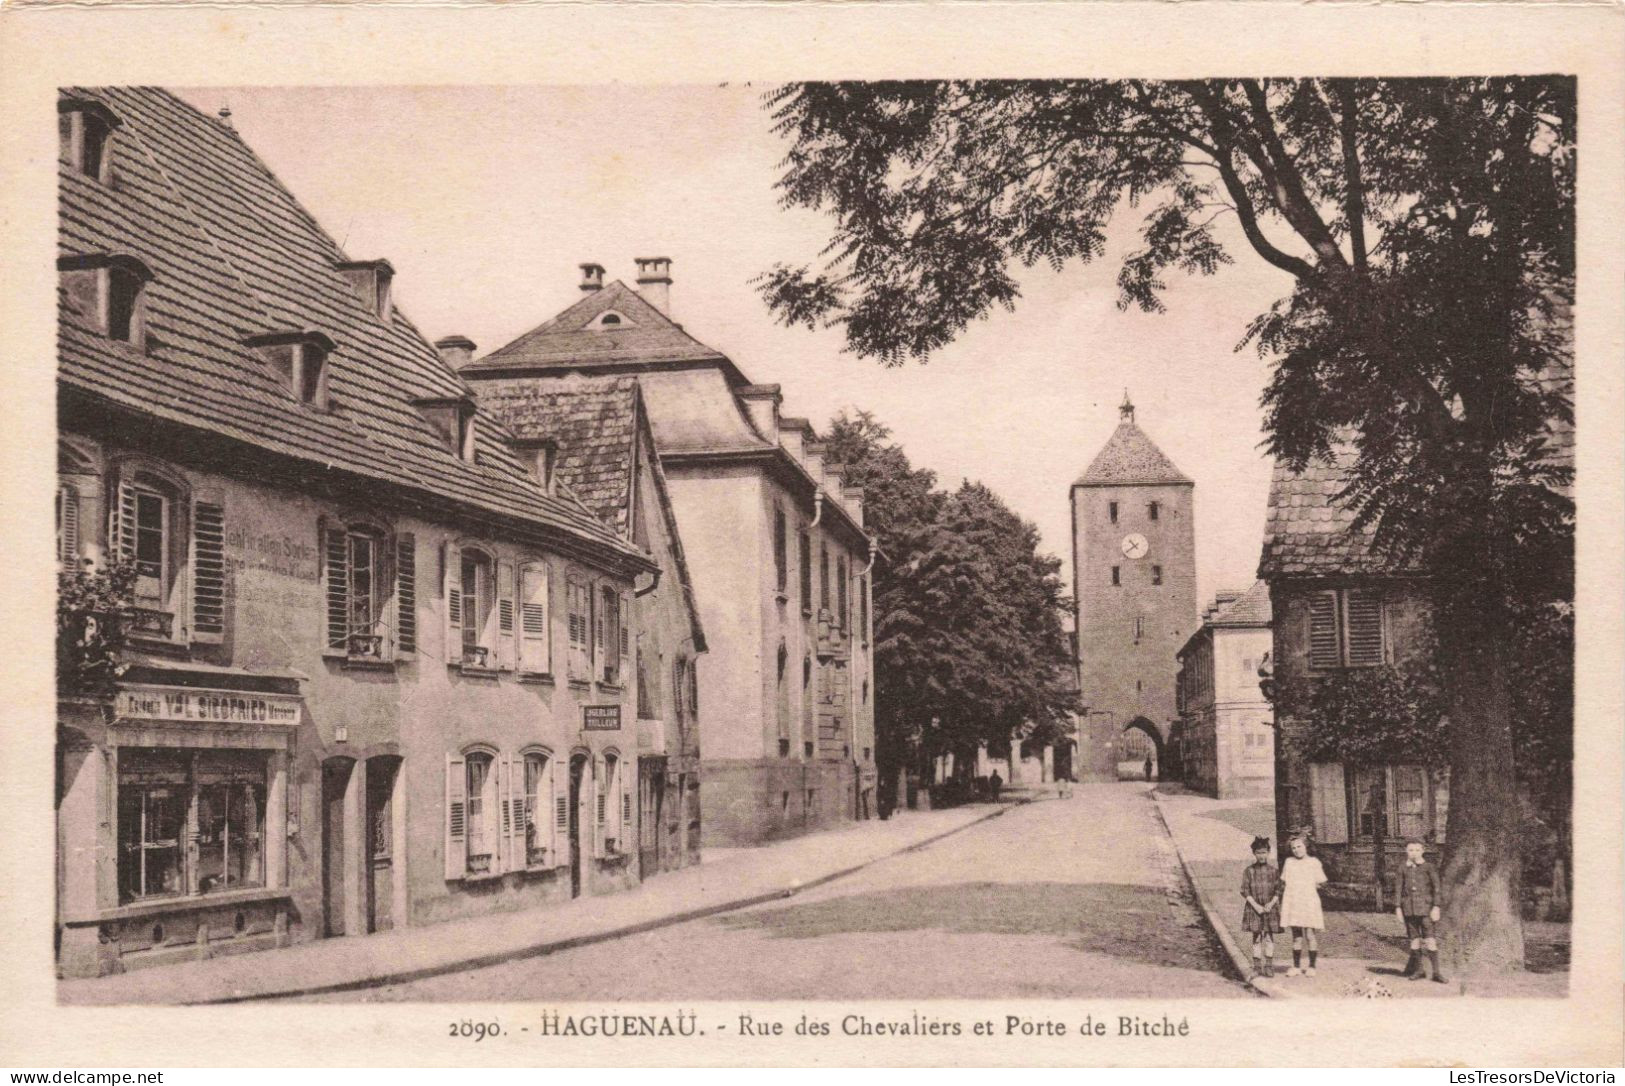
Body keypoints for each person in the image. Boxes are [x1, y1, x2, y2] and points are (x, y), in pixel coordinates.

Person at [1397, 838, 1447, 983]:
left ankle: (1437, 972)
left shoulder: (1429, 867)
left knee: (1430, 939)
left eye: (1417, 850)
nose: (1414, 853)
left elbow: (1437, 889)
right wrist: (1398, 908)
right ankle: (1419, 970)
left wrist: (1436, 907)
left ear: (1423, 851)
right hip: (1409, 910)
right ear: (1406, 851)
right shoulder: (1402, 868)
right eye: (1411, 850)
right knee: (1414, 940)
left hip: (1426, 909)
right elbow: (1398, 890)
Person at [1278, 833, 1329, 976]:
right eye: (1293, 848)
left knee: (1310, 934)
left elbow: (1321, 882)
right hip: (1294, 902)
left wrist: (1312, 886)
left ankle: (1312, 967)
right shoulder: (1289, 862)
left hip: (1308, 902)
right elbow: (1285, 881)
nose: (1296, 850)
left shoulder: (1313, 862)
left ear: (1306, 846)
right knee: (1296, 936)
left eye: (1299, 846)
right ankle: (1296, 966)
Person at [1240, 835, 1282, 978]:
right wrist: (1256, 906)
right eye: (1258, 853)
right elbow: (1245, 890)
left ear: (1269, 852)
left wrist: (1271, 904)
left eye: (1264, 852)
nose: (1261, 855)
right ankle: (1257, 966)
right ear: (1254, 853)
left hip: (1270, 909)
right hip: (1254, 908)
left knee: (1269, 937)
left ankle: (1268, 966)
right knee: (1256, 937)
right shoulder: (1249, 871)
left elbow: (1278, 890)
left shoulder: (1274, 871)